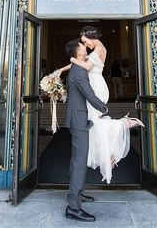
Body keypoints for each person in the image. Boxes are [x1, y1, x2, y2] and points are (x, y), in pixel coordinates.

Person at [56, 26, 144, 184]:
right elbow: (80, 62)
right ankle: (108, 151)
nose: (85, 45)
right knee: (93, 126)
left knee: (94, 124)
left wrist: (71, 59)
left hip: (97, 89)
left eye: (85, 41)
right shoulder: (93, 50)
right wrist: (61, 70)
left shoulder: (99, 48)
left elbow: (86, 66)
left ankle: (117, 136)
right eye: (83, 43)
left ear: (92, 37)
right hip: (93, 86)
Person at [64, 38, 108, 222]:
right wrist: (104, 108)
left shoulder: (77, 68)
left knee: (78, 160)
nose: (86, 48)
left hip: (80, 118)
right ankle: (73, 207)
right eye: (83, 47)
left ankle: (78, 194)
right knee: (79, 162)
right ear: (79, 53)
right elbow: (89, 94)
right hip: (79, 120)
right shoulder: (79, 72)